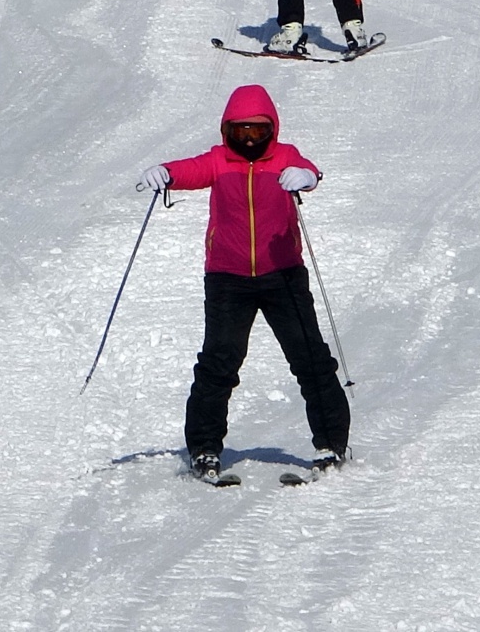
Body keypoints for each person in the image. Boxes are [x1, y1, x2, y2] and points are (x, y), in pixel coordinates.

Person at [137, 84, 350, 485]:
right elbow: (191, 169)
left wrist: (306, 177)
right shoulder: (219, 161)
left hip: (283, 274)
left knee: (311, 359)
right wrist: (166, 172)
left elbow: (309, 171)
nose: (250, 139)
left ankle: (331, 445)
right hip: (227, 278)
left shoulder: (284, 157)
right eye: (240, 130)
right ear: (226, 130)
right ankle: (204, 449)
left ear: (272, 128)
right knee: (219, 363)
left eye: (258, 130)